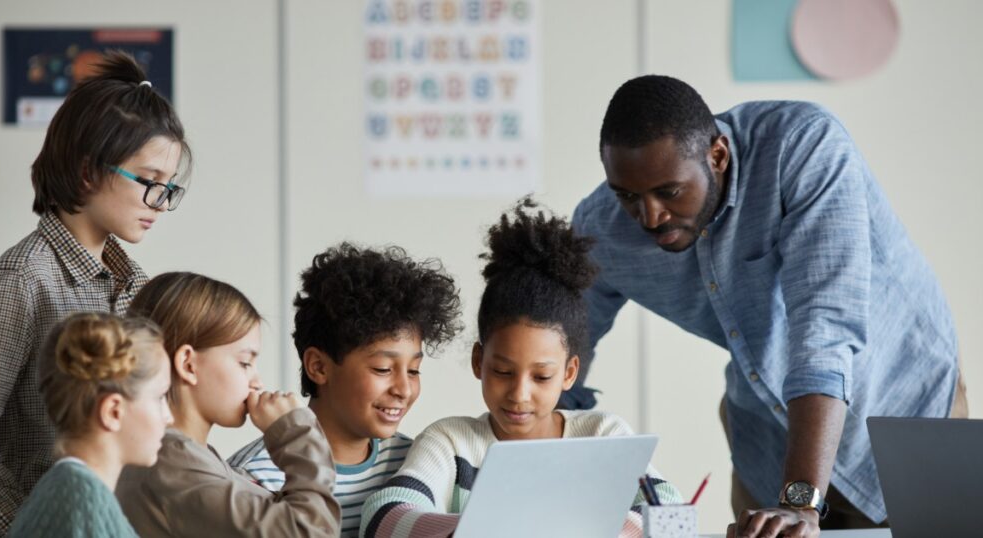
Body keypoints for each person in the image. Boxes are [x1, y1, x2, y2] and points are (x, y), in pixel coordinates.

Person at [569, 75, 967, 536]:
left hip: (904, 411)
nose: (650, 216)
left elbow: (824, 334)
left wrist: (799, 501)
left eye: (669, 192)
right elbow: (555, 355)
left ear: (717, 156)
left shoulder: (801, 147)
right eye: (628, 197)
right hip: (766, 441)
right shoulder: (601, 227)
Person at [0, 49, 191, 537]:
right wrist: (25, 518)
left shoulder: (134, 282)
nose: (160, 204)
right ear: (88, 171)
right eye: (149, 182)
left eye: (168, 188)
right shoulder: (22, 281)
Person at [360, 199, 681, 538]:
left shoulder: (603, 437)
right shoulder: (452, 444)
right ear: (478, 362)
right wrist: (483, 528)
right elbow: (383, 516)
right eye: (502, 372)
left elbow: (671, 512)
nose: (519, 394)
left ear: (570, 373)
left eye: (542, 376)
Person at [229, 243, 463, 537]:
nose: (404, 389)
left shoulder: (416, 464)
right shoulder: (257, 477)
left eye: (414, 370)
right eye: (382, 369)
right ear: (319, 366)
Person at [115, 272, 340, 537]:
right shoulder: (171, 464)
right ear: (188, 364)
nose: (257, 382)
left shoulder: (186, 458)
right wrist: (296, 433)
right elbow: (310, 532)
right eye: (245, 363)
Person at [8, 312, 171, 537]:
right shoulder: (83, 504)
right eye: (160, 397)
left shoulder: (67, 491)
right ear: (113, 411)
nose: (168, 416)